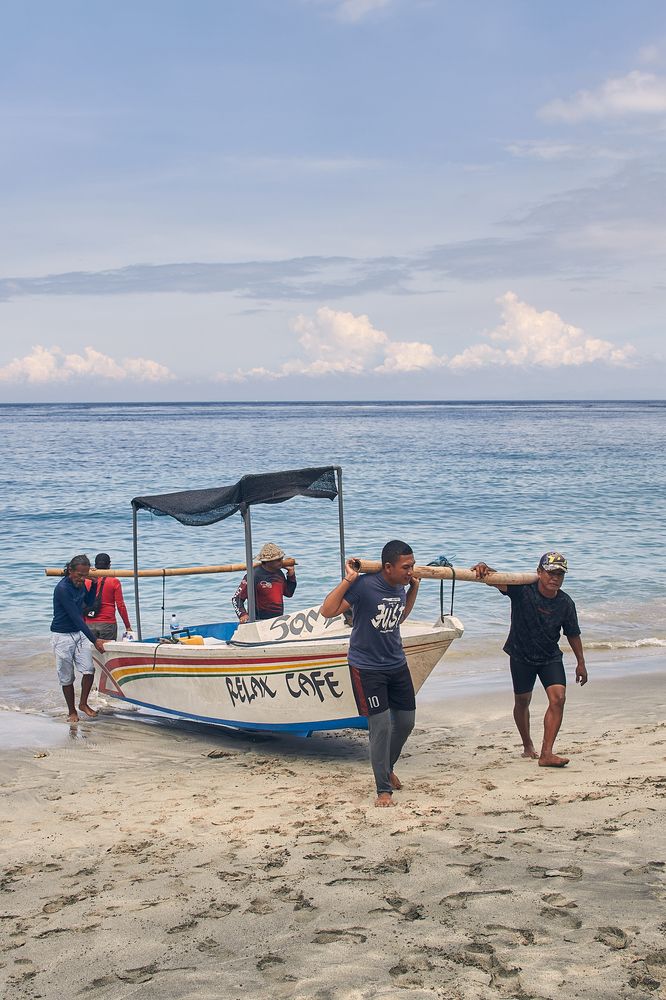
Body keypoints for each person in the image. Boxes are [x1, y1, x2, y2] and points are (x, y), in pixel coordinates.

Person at [320, 540, 420, 807]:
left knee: (406, 722)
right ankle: (382, 789)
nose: (410, 571)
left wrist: (413, 591)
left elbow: (398, 618)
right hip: (367, 667)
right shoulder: (364, 586)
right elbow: (327, 610)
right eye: (406, 567)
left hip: (396, 663)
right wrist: (348, 579)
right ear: (388, 567)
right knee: (381, 727)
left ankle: (386, 767)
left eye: (412, 566)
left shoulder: (401, 585)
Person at [472, 551, 588, 767]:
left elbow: (572, 633)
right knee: (522, 702)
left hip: (549, 657)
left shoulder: (565, 602)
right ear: (539, 572)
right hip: (521, 655)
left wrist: (581, 662)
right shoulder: (522, 590)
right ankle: (527, 745)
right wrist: (484, 567)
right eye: (550, 573)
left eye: (560, 574)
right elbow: (495, 580)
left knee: (558, 699)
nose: (555, 578)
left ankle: (547, 753)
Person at [50, 554, 107, 723]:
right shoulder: (63, 589)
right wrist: (95, 640)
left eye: (85, 575)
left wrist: (94, 583)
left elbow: (88, 603)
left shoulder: (81, 584)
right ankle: (71, 711)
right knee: (67, 677)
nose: (82, 578)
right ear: (70, 571)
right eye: (79, 575)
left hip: (79, 634)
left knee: (89, 670)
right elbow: (76, 617)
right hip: (62, 636)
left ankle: (83, 704)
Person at [232, 542, 297, 623]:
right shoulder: (254, 575)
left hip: (277, 621)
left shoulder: (279, 574)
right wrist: (243, 614)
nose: (281, 562)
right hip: (258, 621)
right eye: (278, 560)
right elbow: (236, 599)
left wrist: (291, 574)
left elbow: (289, 593)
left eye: (281, 559)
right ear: (267, 562)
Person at [84, 552, 132, 640]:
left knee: (90, 652)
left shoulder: (86, 581)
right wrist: (127, 626)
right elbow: (120, 606)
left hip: (89, 623)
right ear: (109, 565)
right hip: (107, 623)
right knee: (107, 652)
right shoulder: (114, 581)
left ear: (95, 565)